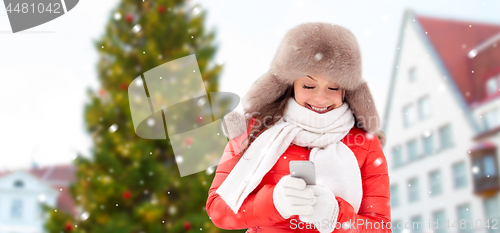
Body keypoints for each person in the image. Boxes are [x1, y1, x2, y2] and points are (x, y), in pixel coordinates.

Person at [206, 22, 391, 233]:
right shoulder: (254, 130)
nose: (320, 98)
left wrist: (335, 216)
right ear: (290, 84)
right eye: (309, 86)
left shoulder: (366, 144)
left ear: (346, 91)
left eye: (333, 87)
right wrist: (274, 202)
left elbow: (381, 228)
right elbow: (217, 210)